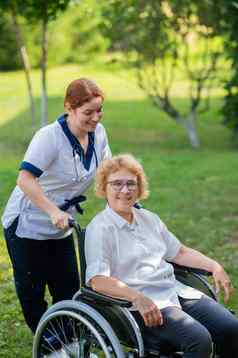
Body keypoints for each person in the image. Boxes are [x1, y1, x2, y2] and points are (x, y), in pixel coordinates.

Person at [85, 153, 238, 358]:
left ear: (139, 188)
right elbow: (98, 280)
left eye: (131, 184)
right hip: (140, 305)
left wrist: (214, 266)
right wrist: (137, 297)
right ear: (104, 188)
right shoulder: (100, 228)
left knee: (231, 328)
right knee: (198, 341)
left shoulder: (149, 219)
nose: (125, 190)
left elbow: (180, 252)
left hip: (175, 291)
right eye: (117, 184)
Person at [1, 78, 111, 334]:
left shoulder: (99, 133)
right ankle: (50, 345)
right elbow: (24, 179)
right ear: (69, 108)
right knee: (33, 292)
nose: (95, 118)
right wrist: (52, 211)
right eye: (88, 112)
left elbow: (107, 172)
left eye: (99, 110)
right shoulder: (49, 137)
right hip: (27, 224)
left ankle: (71, 341)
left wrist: (124, 205)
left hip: (61, 225)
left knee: (68, 288)